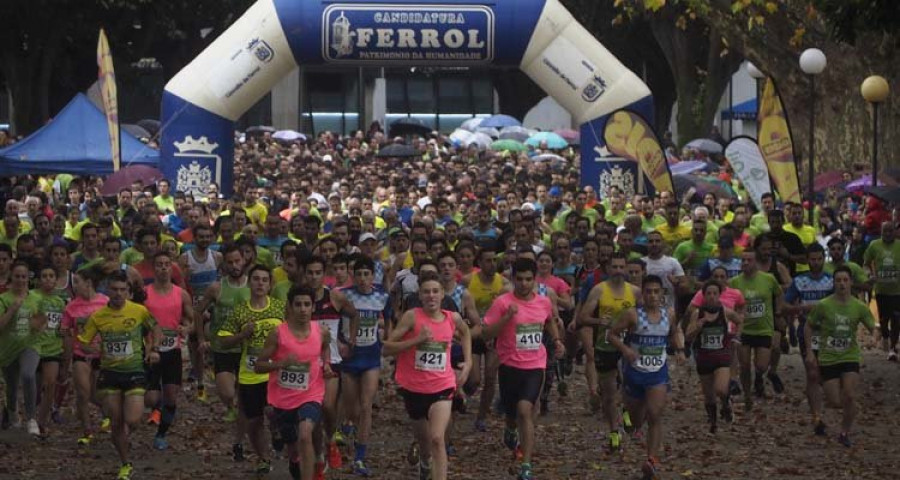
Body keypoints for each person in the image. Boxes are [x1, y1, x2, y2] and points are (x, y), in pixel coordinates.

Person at [384, 271, 471, 480]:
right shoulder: (412, 317)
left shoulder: (453, 318)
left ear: (442, 295)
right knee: (424, 443)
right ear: (420, 295)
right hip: (413, 388)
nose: (431, 296)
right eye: (426, 292)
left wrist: (468, 363)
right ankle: (424, 462)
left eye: (435, 291)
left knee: (437, 439)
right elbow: (386, 348)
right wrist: (416, 341)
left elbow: (466, 333)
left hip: (442, 386)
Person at [483, 258, 563, 480]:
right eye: (520, 279)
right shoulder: (502, 302)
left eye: (529, 279)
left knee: (525, 410)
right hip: (509, 365)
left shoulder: (544, 302)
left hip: (535, 364)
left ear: (535, 279)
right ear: (513, 278)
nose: (524, 284)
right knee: (511, 412)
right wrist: (507, 318)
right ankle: (510, 429)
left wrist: (556, 341)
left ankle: (526, 465)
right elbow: (487, 333)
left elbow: (549, 322)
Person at [77, 271, 162, 480]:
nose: (118, 293)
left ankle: (124, 435)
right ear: (107, 291)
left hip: (134, 371)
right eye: (114, 289)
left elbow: (157, 328)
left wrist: (154, 349)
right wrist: (94, 351)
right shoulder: (98, 316)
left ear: (128, 292)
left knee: (132, 419)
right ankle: (125, 463)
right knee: (115, 420)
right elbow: (83, 341)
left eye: (122, 290)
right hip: (110, 373)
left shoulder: (139, 311)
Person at [608, 275, 685, 480]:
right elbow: (612, 334)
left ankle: (651, 460)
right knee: (635, 421)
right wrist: (625, 349)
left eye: (656, 291)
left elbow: (675, 332)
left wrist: (680, 349)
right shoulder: (632, 315)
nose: (652, 295)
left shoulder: (668, 314)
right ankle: (628, 420)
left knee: (655, 414)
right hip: (634, 373)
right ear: (643, 294)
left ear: (662, 294)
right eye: (648, 291)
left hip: (657, 372)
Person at [255, 285, 333, 480]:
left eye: (307, 304)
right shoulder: (277, 334)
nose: (303, 309)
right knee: (293, 448)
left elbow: (325, 349)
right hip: (283, 399)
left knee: (306, 434)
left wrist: (326, 365)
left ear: (313, 307)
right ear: (290, 307)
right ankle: (295, 463)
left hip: (311, 394)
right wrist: (281, 364)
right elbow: (258, 365)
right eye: (298, 304)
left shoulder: (321, 331)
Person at [217, 265, 286, 475]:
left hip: (274, 372)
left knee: (273, 412)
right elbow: (223, 341)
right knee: (254, 421)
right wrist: (241, 335)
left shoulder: (280, 308)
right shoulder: (241, 310)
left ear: (270, 284)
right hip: (250, 374)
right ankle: (263, 458)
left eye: (265, 280)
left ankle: (277, 432)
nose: (260, 284)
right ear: (249, 283)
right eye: (256, 279)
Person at [804, 266, 876, 447]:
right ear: (833, 283)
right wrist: (810, 351)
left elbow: (873, 327)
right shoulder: (824, 305)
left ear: (851, 282)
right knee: (835, 401)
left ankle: (844, 432)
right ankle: (847, 411)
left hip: (849, 356)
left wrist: (873, 339)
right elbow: (809, 326)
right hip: (828, 357)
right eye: (838, 280)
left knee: (850, 395)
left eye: (845, 280)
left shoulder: (859, 306)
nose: (842, 284)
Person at [577, 253, 640, 450]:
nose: (619, 271)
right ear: (608, 269)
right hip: (605, 345)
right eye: (615, 267)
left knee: (628, 386)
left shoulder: (636, 292)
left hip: (628, 346)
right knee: (609, 394)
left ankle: (626, 410)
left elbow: (650, 314)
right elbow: (582, 318)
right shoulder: (599, 290)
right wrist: (598, 321)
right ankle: (614, 431)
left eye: (622, 267)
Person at [303, 255, 359, 470]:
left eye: (318, 272)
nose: (314, 276)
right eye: (310, 272)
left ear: (324, 273)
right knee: (313, 412)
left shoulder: (334, 297)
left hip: (332, 360)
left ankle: (330, 438)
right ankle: (319, 455)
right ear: (304, 273)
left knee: (327, 406)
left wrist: (350, 340)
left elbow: (354, 315)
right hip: (307, 363)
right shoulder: (299, 299)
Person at [338, 257, 389, 476]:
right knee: (352, 409)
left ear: (372, 275)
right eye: (358, 274)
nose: (362, 278)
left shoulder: (382, 296)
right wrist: (340, 342)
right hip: (350, 357)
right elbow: (335, 322)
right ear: (353, 275)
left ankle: (360, 457)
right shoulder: (344, 295)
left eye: (366, 274)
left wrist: (387, 336)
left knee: (366, 405)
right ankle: (348, 426)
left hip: (371, 356)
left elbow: (388, 319)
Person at [143, 251, 194, 449]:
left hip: (173, 349)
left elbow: (191, 320)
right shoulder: (144, 293)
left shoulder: (181, 293)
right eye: (159, 264)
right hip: (150, 350)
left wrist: (186, 328)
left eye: (166, 264)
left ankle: (161, 433)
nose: (163, 268)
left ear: (171, 267)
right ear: (153, 268)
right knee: (152, 398)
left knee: (171, 396)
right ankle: (155, 408)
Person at [196, 245, 249, 425]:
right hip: (223, 348)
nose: (234, 265)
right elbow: (198, 312)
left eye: (237, 261)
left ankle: (242, 414)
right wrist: (202, 339)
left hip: (247, 347)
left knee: (246, 389)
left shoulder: (254, 285)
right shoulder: (216, 288)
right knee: (226, 392)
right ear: (224, 265)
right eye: (230, 262)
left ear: (244, 260)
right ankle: (231, 407)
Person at [784, 243, 833, 435]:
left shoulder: (831, 281)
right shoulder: (799, 281)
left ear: (823, 259)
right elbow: (784, 306)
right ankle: (816, 417)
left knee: (826, 374)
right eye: (812, 259)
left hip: (830, 333)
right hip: (807, 332)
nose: (815, 262)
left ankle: (828, 399)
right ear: (807, 260)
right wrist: (803, 309)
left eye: (819, 259)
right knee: (812, 373)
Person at [61, 262, 110, 444]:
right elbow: (66, 333)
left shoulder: (105, 302)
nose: (74, 285)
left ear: (88, 283)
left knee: (97, 394)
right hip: (80, 353)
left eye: (77, 281)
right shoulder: (71, 307)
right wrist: (65, 361)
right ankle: (87, 430)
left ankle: (109, 416)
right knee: (83, 393)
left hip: (101, 355)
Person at [729, 249, 783, 409]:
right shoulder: (734, 282)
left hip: (764, 328)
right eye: (743, 260)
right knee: (744, 365)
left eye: (749, 260)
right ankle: (747, 395)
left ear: (756, 262)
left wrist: (779, 312)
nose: (745, 263)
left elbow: (779, 294)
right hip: (744, 329)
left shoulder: (768, 279)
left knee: (761, 365)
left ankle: (759, 378)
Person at [685, 281, 741, 433]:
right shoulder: (698, 314)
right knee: (709, 396)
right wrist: (698, 326)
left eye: (714, 293)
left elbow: (739, 321)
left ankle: (725, 403)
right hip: (703, 357)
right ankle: (713, 422)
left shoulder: (725, 312)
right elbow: (688, 336)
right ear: (703, 296)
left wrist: (736, 337)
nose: (711, 296)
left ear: (719, 295)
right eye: (708, 293)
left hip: (721, 355)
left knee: (721, 390)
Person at [179, 223, 222, 402]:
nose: (205, 239)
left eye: (208, 236)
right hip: (193, 305)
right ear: (194, 238)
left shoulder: (217, 256)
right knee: (195, 343)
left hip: (212, 306)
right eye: (201, 236)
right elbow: (180, 285)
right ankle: (200, 382)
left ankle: (212, 371)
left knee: (211, 338)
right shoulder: (185, 258)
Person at [0, 262, 43, 435]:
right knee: (11, 386)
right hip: (8, 348)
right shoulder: (3, 298)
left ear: (28, 278)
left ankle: (32, 419)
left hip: (29, 345)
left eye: (23, 276)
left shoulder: (36, 298)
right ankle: (13, 415)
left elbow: (42, 322)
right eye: (17, 276)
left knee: (27, 374)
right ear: (11, 277)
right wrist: (12, 310)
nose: (20, 280)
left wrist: (35, 322)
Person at [31, 264, 67, 437]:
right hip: (33, 347)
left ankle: (41, 422)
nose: (48, 279)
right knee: (34, 388)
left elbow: (64, 327)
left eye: (51, 276)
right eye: (44, 276)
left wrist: (62, 330)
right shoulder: (31, 297)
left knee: (50, 383)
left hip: (53, 348)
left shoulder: (60, 302)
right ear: (38, 280)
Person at [863, 221, 900, 360]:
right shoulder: (874, 245)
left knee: (896, 319)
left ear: (895, 231)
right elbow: (866, 264)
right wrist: (869, 275)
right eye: (885, 231)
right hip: (881, 290)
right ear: (881, 231)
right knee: (884, 319)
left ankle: (893, 348)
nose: (888, 234)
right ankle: (885, 336)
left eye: (891, 231)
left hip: (897, 291)